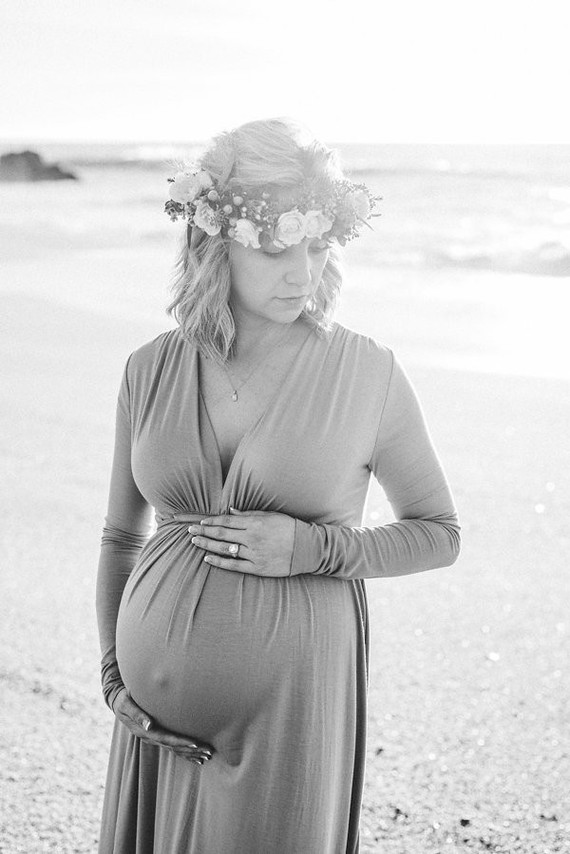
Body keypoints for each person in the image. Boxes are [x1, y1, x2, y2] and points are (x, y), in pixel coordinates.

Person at [96, 116, 461, 853]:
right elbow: (119, 537)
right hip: (151, 729)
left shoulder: (365, 373)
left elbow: (439, 534)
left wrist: (311, 549)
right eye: (274, 246)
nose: (302, 271)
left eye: (318, 244)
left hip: (292, 715)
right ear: (213, 242)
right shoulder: (148, 369)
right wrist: (113, 677)